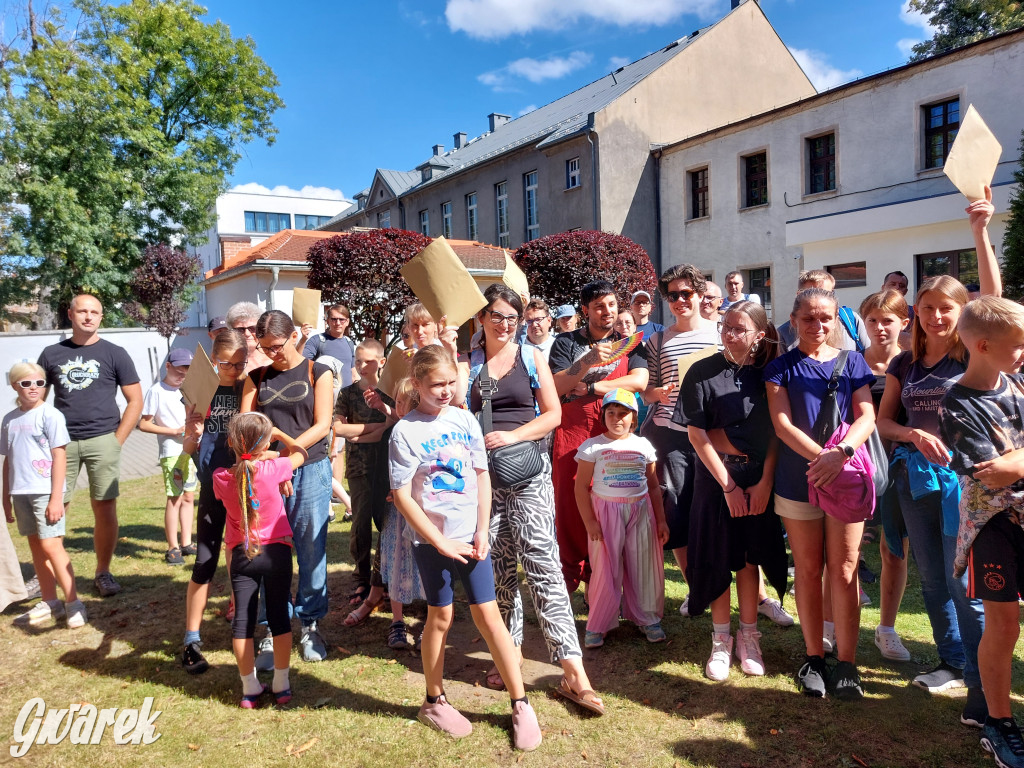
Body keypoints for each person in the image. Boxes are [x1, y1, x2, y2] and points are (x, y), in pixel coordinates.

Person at [876, 188, 1000, 724]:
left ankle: (981, 676)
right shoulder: (903, 365)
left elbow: (995, 303)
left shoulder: (974, 352)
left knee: (960, 580)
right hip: (911, 480)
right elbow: (883, 421)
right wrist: (910, 436)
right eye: (925, 309)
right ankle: (951, 662)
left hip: (962, 484)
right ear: (914, 313)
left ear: (961, 313)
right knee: (929, 575)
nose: (934, 317)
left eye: (945, 309)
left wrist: (980, 232)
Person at [390, 345, 542, 750]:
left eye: (451, 383)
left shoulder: (465, 420)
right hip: (430, 542)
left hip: (472, 537)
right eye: (436, 384)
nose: (445, 390)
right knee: (440, 617)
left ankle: (521, 702)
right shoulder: (405, 431)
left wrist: (481, 530)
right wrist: (438, 540)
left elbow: (481, 476)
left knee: (490, 617)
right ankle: (434, 700)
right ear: (417, 384)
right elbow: (402, 495)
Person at [466, 284, 603, 715]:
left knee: (543, 565)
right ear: (481, 319)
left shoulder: (532, 358)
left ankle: (573, 670)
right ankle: (512, 655)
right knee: (501, 569)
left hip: (530, 474)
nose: (505, 325)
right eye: (498, 316)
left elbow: (553, 414)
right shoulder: (466, 363)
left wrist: (512, 435)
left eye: (513, 318)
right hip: (485, 481)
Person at [765, 287, 876, 699]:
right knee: (809, 571)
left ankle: (847, 664)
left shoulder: (853, 362)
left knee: (845, 571)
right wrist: (822, 460)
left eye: (825, 317)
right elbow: (782, 423)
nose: (818, 325)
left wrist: (840, 454)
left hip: (843, 479)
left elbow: (867, 415)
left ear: (836, 320)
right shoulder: (780, 367)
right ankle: (814, 657)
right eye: (809, 318)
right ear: (793, 321)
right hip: (799, 481)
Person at [937, 297, 1024, 768]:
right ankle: (999, 722)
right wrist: (1015, 464)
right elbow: (991, 473)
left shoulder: (1019, 383)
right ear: (985, 346)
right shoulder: (957, 401)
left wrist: (1017, 461)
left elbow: (1013, 467)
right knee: (1003, 624)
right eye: (1018, 346)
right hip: (992, 527)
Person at [680, 301, 787, 681]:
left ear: (759, 336)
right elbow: (696, 433)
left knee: (749, 559)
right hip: (715, 484)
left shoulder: (770, 375)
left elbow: (778, 432)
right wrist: (728, 486)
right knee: (718, 558)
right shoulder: (701, 372)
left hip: (758, 481)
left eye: (739, 328)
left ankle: (749, 638)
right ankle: (721, 641)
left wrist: (765, 483)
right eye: (725, 326)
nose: (728, 334)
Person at [241, 310, 334, 664]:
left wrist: (288, 461)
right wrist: (268, 463)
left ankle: (310, 624)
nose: (272, 354)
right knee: (268, 554)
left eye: (277, 346)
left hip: (309, 470)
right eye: (265, 348)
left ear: (294, 336)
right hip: (265, 476)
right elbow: (245, 426)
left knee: (312, 550)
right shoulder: (256, 377)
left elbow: (322, 424)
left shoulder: (318, 371)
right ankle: (272, 626)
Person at [37, 294, 143, 598]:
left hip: (103, 440)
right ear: (70, 314)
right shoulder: (51, 354)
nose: (88, 316)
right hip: (61, 445)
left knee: (104, 507)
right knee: (56, 507)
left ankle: (103, 572)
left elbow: (135, 400)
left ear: (101, 317)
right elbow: (38, 402)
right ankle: (47, 573)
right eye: (82, 311)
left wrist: (117, 440)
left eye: (94, 312)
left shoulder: (115, 353)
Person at [548, 281, 649, 594]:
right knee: (569, 504)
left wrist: (593, 388)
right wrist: (587, 361)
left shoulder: (631, 343)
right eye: (598, 306)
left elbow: (640, 381)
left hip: (614, 433)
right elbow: (556, 386)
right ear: (585, 311)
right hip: (572, 432)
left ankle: (603, 583)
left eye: (611, 305)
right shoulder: (565, 342)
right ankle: (567, 579)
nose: (607, 312)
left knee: (609, 503)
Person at [214, 412, 306, 709]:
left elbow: (240, 473)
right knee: (280, 615)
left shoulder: (221, 478)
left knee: (243, 621)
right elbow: (301, 454)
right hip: (276, 552)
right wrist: (280, 436)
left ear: (230, 442)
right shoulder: (274, 468)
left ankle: (249, 688)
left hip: (242, 554)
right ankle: (282, 684)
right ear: (265, 444)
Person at [642, 264, 718, 610]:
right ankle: (695, 590)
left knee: (724, 515)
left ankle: (759, 596)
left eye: (686, 293)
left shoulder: (720, 334)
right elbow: (647, 390)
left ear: (701, 294)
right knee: (678, 514)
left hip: (714, 435)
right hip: (671, 436)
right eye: (672, 295)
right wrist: (657, 393)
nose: (679, 301)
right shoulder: (657, 339)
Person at [576, 388, 668, 648]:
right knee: (606, 567)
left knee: (643, 564)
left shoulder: (643, 446)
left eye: (623, 413)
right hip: (605, 514)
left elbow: (652, 486)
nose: (617, 419)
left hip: (640, 513)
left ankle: (647, 617)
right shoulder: (592, 447)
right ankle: (599, 623)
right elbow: (581, 487)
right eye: (611, 413)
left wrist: (660, 521)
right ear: (603, 415)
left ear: (634, 418)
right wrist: (590, 522)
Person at [180, 329, 248, 674]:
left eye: (239, 364)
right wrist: (190, 434)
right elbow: (189, 447)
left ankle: (251, 624)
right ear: (213, 359)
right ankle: (191, 638)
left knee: (247, 557)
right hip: (212, 484)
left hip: (243, 486)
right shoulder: (201, 391)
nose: (233, 370)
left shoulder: (249, 388)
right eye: (226, 363)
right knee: (205, 559)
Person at [336, 339, 411, 649]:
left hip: (386, 468)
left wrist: (370, 430)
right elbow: (338, 429)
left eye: (368, 361)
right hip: (358, 467)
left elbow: (394, 425)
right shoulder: (348, 393)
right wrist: (374, 431)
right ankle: (363, 579)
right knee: (360, 525)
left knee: (387, 526)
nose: (362, 365)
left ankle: (393, 585)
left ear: (381, 362)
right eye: (357, 359)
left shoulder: (390, 391)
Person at [2, 362, 86, 629]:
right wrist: (6, 497)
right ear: (15, 386)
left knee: (52, 545)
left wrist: (55, 498)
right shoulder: (10, 419)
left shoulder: (51, 415)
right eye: (27, 383)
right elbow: (8, 460)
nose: (34, 388)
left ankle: (74, 603)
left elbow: (59, 455)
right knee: (36, 546)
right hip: (21, 492)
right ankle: (51, 602)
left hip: (45, 492)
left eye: (39, 383)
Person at [858, 290, 912, 662]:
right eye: (872, 320)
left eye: (887, 320)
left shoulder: (913, 364)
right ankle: (832, 624)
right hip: (859, 468)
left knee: (894, 551)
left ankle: (887, 629)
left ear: (903, 323)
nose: (879, 328)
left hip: (899, 468)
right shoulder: (852, 363)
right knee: (845, 552)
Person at [139, 348, 197, 566]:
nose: (183, 373)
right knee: (175, 497)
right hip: (172, 452)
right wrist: (173, 431)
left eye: (188, 370)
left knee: (189, 497)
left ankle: (187, 542)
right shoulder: (156, 391)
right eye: (180, 368)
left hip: (192, 449)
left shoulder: (189, 390)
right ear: (168, 366)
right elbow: (144, 424)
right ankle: (172, 547)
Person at [777, 271, 870, 353]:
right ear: (798, 295)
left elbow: (868, 357)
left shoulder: (851, 319)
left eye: (825, 293)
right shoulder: (783, 333)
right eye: (810, 293)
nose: (818, 299)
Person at [299, 303, 357, 386]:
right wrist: (302, 340)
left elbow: (354, 374)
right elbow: (299, 362)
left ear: (347, 322)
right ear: (328, 321)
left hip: (347, 397)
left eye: (341, 319)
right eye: (334, 319)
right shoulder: (317, 340)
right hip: (325, 396)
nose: (338, 323)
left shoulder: (349, 343)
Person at [226, 302, 271, 374]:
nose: (247, 334)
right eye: (240, 329)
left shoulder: (275, 357)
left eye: (252, 328)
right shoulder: (226, 364)